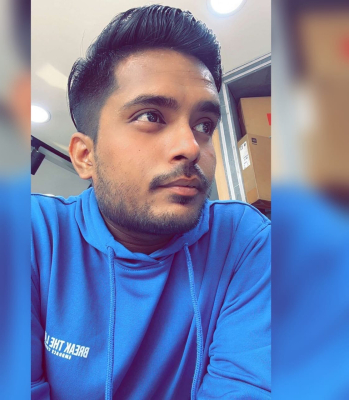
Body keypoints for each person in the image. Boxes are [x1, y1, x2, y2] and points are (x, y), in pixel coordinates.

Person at [31, 5, 271, 400]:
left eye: (204, 125)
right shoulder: (29, 236)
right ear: (85, 156)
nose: (191, 147)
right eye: (151, 116)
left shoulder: (245, 242)